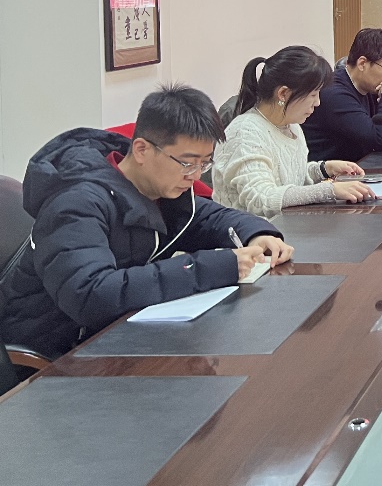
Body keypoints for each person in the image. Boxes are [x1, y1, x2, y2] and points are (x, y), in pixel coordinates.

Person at [0, 85, 293, 359]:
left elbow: (206, 216)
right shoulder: (76, 203)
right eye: (187, 162)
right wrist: (211, 267)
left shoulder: (157, 187)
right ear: (141, 150)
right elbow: (91, 295)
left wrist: (256, 233)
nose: (195, 176)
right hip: (54, 353)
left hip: (118, 335)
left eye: (204, 163)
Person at [214, 46, 376, 218]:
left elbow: (291, 179)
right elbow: (262, 199)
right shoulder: (245, 133)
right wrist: (329, 190)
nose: (318, 102)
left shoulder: (291, 125)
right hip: (254, 232)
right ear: (283, 93)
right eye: (313, 95)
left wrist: (323, 169)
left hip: (289, 225)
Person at [302, 27, 382, 162]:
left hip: (357, 165)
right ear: (362, 64)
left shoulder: (370, 86)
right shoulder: (334, 93)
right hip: (329, 171)